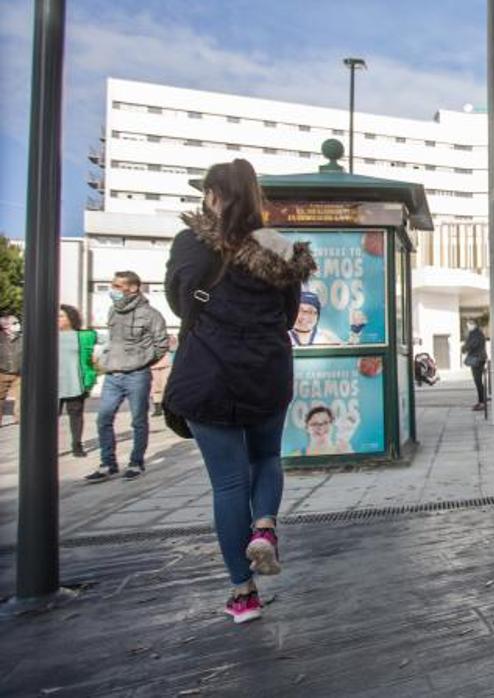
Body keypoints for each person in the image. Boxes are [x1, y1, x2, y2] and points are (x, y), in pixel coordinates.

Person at [164, 158, 315, 623]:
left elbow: (178, 299)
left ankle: (242, 593)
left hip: (209, 375)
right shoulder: (281, 249)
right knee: (266, 457)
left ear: (212, 195)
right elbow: (289, 315)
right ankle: (265, 529)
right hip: (266, 373)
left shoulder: (194, 243)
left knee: (228, 483)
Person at [84, 271, 169, 483]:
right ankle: (108, 464)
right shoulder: (113, 311)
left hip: (137, 374)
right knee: (103, 417)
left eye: (117, 286)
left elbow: (161, 344)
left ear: (133, 288)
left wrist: (144, 361)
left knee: (138, 419)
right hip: (113, 373)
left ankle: (136, 462)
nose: (113, 290)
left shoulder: (150, 314)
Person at [57, 305, 98, 457]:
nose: (58, 319)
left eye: (61, 316)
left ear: (71, 318)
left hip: (75, 381)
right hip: (53, 384)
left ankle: (77, 444)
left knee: (76, 414)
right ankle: (48, 446)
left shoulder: (83, 336)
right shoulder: (47, 335)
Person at [462, 318, 487, 411]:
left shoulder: (476, 333)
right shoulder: (477, 333)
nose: (468, 327)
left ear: (473, 325)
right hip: (479, 358)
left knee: (478, 381)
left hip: (477, 359)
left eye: (468, 325)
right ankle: (482, 401)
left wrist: (464, 348)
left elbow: (471, 345)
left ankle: (482, 403)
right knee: (478, 381)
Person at [149, 334, 177, 417]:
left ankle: (169, 408)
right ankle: (158, 408)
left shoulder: (167, 336)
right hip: (153, 365)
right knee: (155, 388)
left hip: (166, 365)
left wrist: (170, 341)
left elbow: (173, 348)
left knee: (166, 386)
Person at [0, 314, 20, 427]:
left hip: (19, 374)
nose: (18, 325)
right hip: (2, 373)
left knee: (21, 397)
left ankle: (20, 419)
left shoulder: (22, 338)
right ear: (5, 326)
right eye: (15, 323)